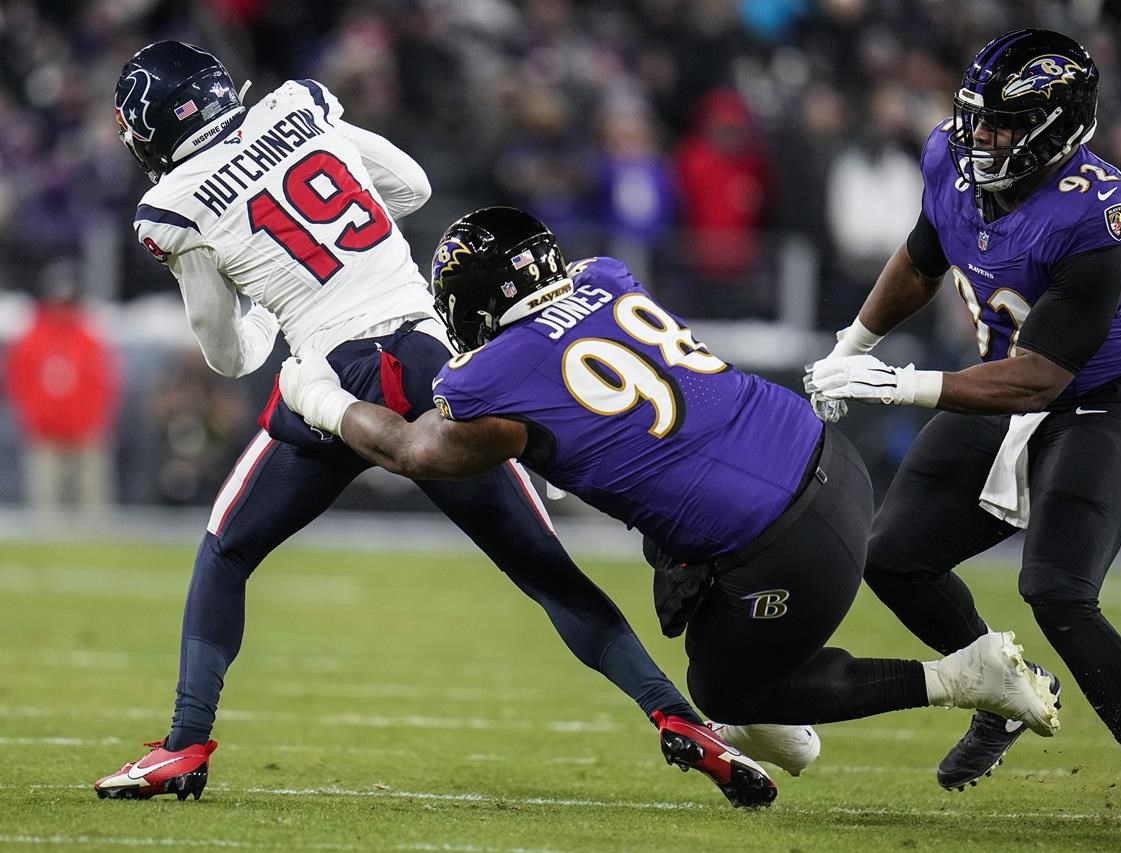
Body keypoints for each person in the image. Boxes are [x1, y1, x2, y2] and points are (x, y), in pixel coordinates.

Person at [92, 41, 762, 809]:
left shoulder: (175, 205)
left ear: (148, 129)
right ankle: (675, 714)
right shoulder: (300, 108)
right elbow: (412, 186)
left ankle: (184, 743)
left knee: (227, 547)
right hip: (433, 364)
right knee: (544, 568)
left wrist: (273, 318)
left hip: (336, 376)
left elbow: (226, 352)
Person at [278, 205, 1064, 795]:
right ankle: (775, 712)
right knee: (679, 569)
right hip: (830, 461)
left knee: (720, 690)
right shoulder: (606, 276)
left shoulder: (490, 375)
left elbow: (413, 449)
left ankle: (963, 674)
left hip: (784, 542)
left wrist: (317, 396)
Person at [804, 29, 1121, 828]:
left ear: (1057, 128)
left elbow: (1043, 375)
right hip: (1002, 387)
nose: (978, 138)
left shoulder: (1096, 212)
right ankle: (996, 689)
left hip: (1100, 395)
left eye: (1001, 125)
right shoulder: (949, 165)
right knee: (892, 556)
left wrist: (897, 383)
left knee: (1058, 589)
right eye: (975, 119)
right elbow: (923, 257)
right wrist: (851, 344)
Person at [4, 259, 120, 517]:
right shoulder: (31, 339)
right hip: (45, 434)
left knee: (93, 505)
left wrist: (93, 422)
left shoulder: (88, 338)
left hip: (85, 434)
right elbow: (18, 384)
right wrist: (34, 420)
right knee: (45, 506)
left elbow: (104, 384)